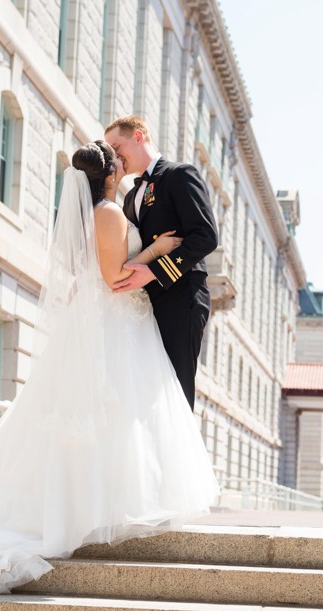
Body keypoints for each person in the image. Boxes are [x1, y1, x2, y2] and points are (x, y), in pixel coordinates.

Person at [0, 140, 220, 595]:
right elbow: (114, 277)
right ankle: (102, 507)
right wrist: (155, 249)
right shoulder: (111, 215)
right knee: (123, 410)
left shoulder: (94, 213)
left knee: (107, 414)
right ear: (113, 175)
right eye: (118, 161)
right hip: (121, 320)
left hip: (112, 322)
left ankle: (92, 503)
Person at [105, 115, 219, 410]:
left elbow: (206, 237)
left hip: (181, 299)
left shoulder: (180, 175)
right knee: (145, 400)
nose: (115, 157)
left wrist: (154, 272)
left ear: (139, 137)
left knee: (175, 398)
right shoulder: (130, 197)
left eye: (117, 147)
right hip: (143, 307)